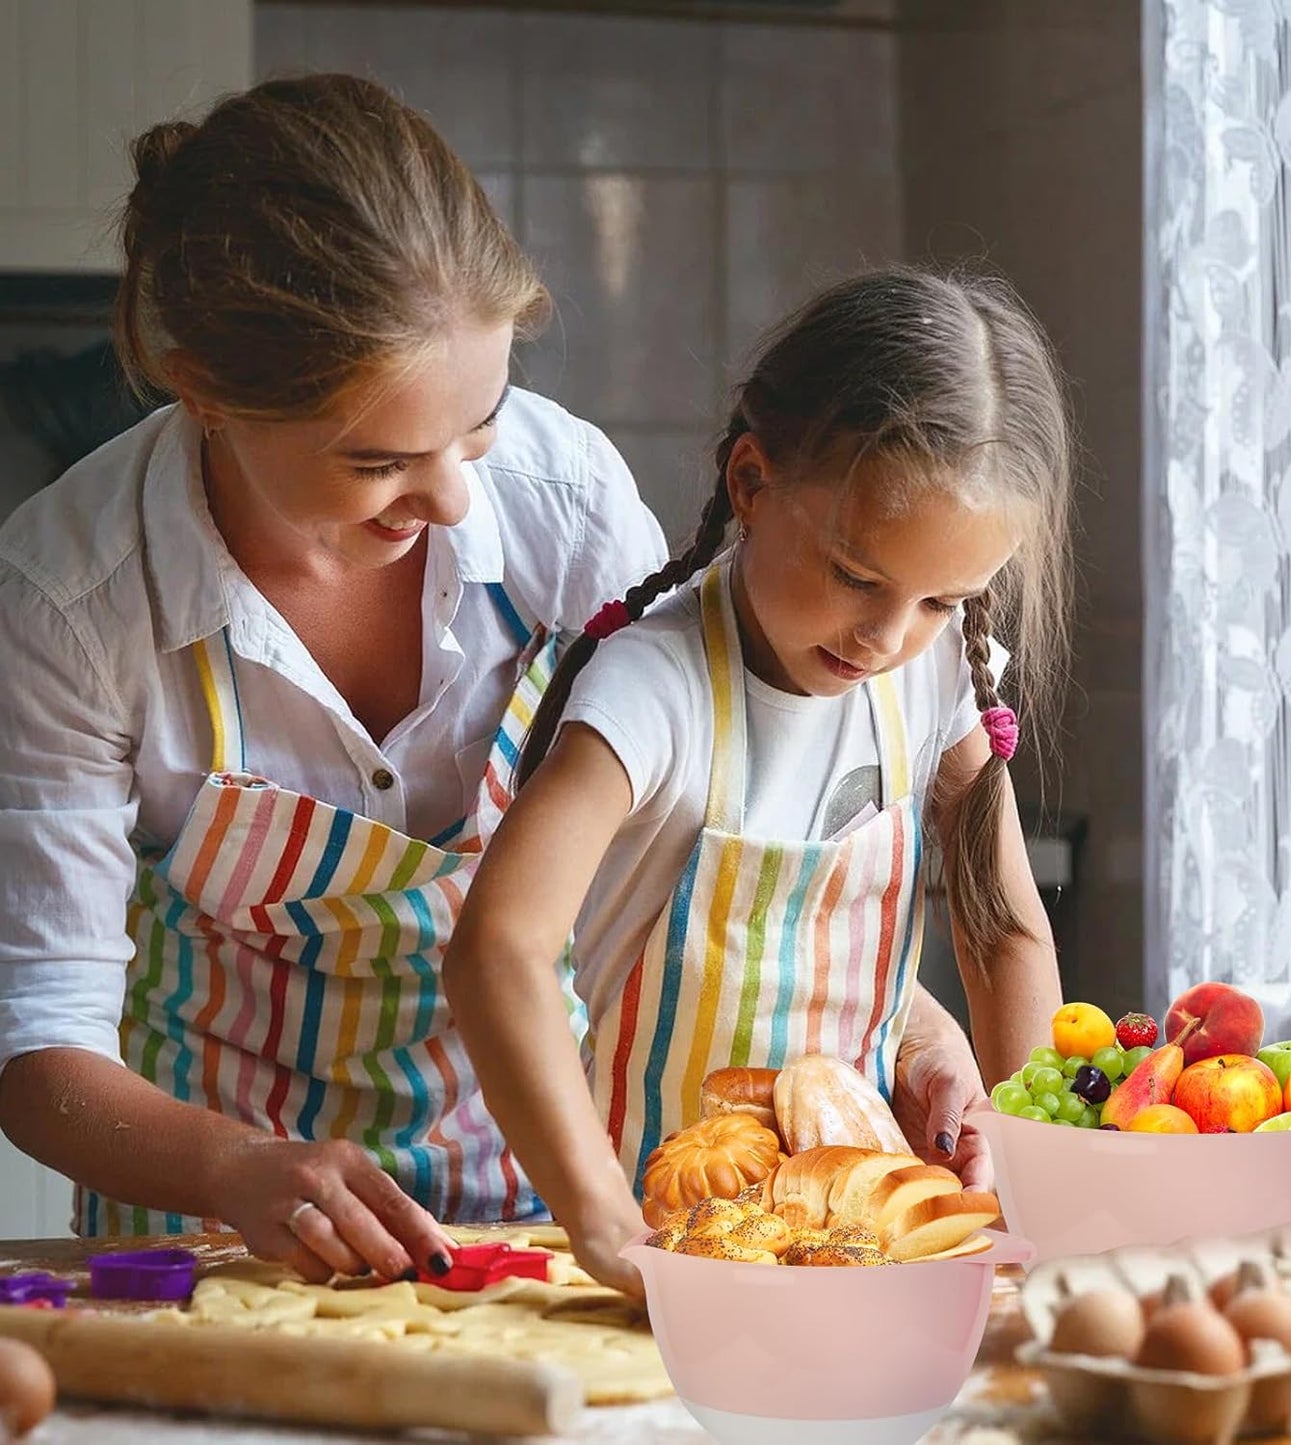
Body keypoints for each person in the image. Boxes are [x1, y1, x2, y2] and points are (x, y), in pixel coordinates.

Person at [0, 77, 990, 1287]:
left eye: (474, 431)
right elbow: (41, 1048)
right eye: (379, 461)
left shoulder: (562, 501)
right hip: (222, 1234)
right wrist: (231, 1166)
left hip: (554, 1199)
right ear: (202, 387)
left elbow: (709, 840)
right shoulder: (69, 599)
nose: (454, 500)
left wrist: (903, 1030)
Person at [445, 266, 1074, 1295]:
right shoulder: (653, 687)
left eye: (939, 600)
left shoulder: (929, 676)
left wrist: (1028, 1166)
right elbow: (497, 947)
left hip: (853, 1245)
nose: (886, 637)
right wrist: (606, 1229)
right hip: (657, 1259)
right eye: (857, 577)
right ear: (750, 481)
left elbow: (1001, 928)